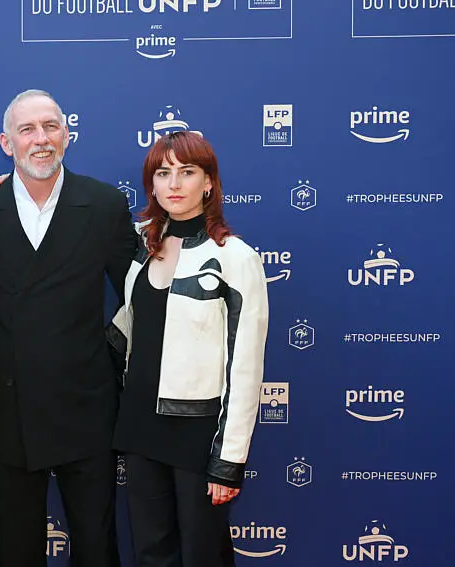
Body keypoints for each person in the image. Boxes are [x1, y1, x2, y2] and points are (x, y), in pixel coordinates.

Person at [0, 89, 137, 567]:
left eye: (50, 126)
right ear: (7, 144)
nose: (41, 139)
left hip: (86, 407)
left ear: (67, 135)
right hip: (8, 411)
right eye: (27, 129)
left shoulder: (104, 204)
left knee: (97, 547)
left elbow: (140, 293)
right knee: (17, 549)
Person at [110, 131, 269, 567]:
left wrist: (228, 460)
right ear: (152, 184)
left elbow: (245, 366)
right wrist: (13, 185)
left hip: (197, 432)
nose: (174, 184)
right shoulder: (141, 245)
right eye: (163, 173)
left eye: (187, 172)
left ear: (209, 182)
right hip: (140, 426)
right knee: (151, 554)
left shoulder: (235, 257)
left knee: (203, 554)